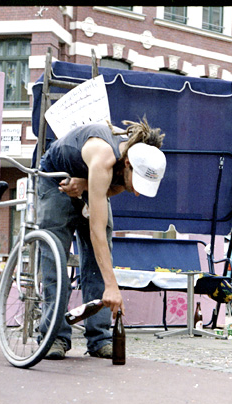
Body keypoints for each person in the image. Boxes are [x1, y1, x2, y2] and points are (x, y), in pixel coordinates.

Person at [36, 117, 166, 360]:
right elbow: (96, 231)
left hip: (88, 181)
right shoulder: (104, 158)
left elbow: (110, 191)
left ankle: (99, 338)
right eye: (137, 182)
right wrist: (112, 286)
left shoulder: (125, 168)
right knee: (55, 258)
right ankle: (53, 336)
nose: (137, 192)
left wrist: (84, 185)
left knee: (98, 264)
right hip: (56, 180)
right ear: (127, 164)